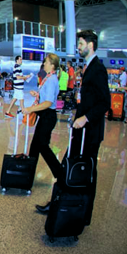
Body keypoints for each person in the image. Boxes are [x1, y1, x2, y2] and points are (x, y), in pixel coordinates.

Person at [36, 30, 110, 227]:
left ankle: (83, 214)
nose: (78, 47)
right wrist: (77, 115)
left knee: (87, 172)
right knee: (68, 166)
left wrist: (85, 118)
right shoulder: (88, 67)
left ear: (91, 45)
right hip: (81, 131)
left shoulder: (98, 69)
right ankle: (57, 203)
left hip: (90, 133)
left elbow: (105, 102)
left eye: (81, 43)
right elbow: (89, 100)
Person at [25, 53, 61, 179]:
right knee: (35, 146)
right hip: (45, 116)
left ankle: (60, 173)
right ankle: (28, 173)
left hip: (48, 116)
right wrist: (37, 95)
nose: (44, 64)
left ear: (52, 65)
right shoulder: (48, 78)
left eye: (46, 62)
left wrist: (31, 109)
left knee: (42, 146)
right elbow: (46, 98)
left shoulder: (51, 80)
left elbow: (48, 103)